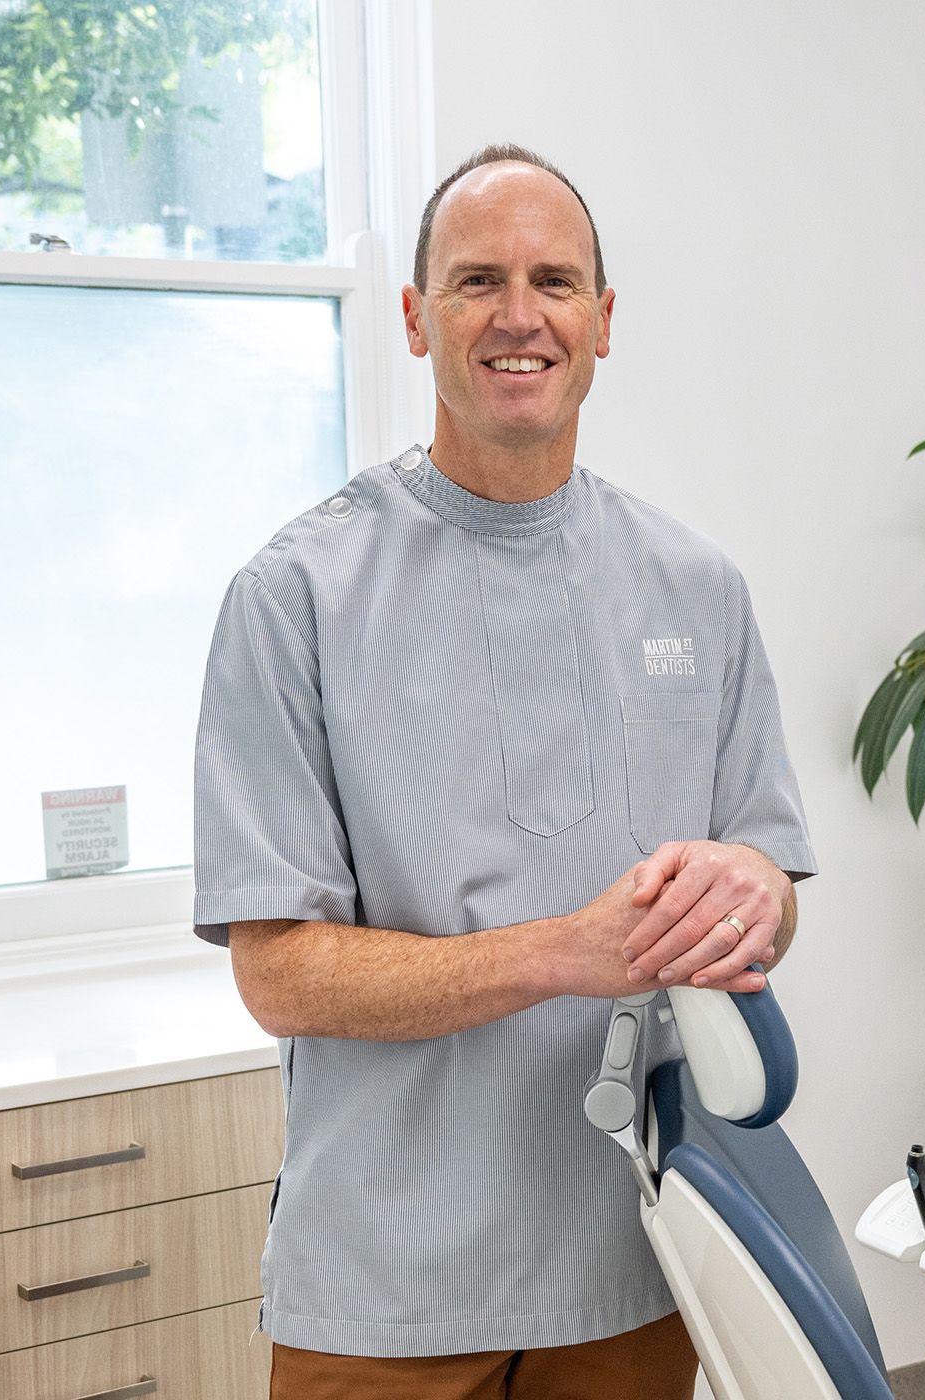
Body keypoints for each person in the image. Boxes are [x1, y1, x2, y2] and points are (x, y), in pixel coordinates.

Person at [192, 142, 817, 1399]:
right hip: (386, 1282)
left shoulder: (696, 586)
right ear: (419, 320)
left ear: (602, 321)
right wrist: (564, 952)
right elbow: (279, 971)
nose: (519, 315)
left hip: (636, 1254)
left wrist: (754, 890)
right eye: (477, 281)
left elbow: (770, 873)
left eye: (554, 280)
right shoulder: (297, 596)